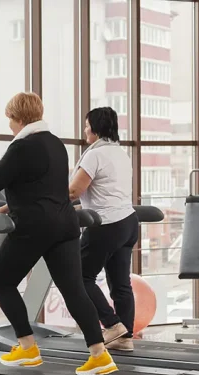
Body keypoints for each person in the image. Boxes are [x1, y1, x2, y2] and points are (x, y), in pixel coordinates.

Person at [0, 92, 118, 375]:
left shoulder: (22, 146)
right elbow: (44, 186)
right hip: (65, 225)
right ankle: (99, 354)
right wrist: (8, 206)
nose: (9, 127)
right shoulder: (55, 143)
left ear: (17, 118)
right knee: (74, 289)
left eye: (10, 120)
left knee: (2, 279)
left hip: (34, 227)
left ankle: (27, 348)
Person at [69, 107, 138, 351]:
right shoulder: (120, 152)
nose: (85, 129)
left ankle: (111, 325)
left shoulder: (94, 155)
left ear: (95, 127)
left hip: (106, 225)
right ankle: (125, 337)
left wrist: (49, 203)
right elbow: (104, 192)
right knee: (121, 284)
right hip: (128, 222)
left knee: (77, 277)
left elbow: (73, 191)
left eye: (87, 124)